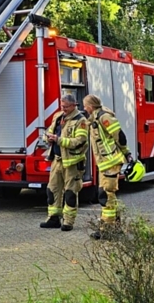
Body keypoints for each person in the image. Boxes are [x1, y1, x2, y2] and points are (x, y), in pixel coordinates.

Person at [83, 94, 131, 239]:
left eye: (85, 106)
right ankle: (112, 226)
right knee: (104, 194)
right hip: (104, 163)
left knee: (106, 194)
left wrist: (127, 153)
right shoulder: (94, 119)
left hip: (111, 162)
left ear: (90, 107)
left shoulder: (104, 118)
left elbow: (119, 136)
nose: (84, 109)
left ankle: (108, 230)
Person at [39, 93, 89, 231]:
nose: (64, 108)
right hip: (57, 160)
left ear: (74, 105)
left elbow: (80, 141)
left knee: (70, 193)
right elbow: (48, 132)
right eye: (62, 105)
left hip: (72, 163)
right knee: (52, 190)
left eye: (66, 106)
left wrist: (58, 140)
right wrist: (47, 138)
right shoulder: (58, 116)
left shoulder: (81, 120)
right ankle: (53, 218)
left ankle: (68, 222)